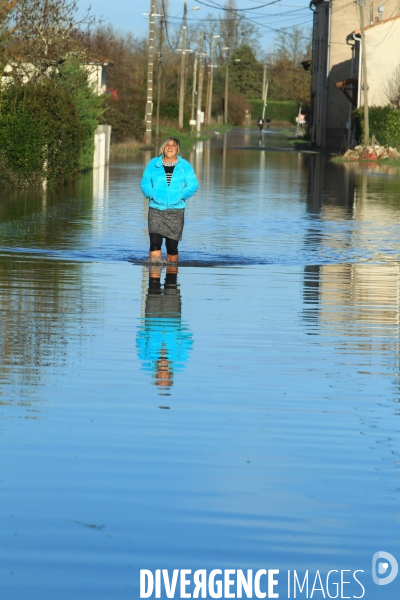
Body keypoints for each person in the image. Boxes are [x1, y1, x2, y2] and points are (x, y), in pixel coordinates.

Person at [140, 137, 199, 264]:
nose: (170, 147)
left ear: (178, 149)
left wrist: (180, 195)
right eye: (167, 145)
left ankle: (171, 280)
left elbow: (193, 185)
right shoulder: (153, 164)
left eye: (173, 145)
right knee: (155, 243)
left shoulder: (185, 166)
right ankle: (154, 280)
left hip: (176, 211)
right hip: (156, 210)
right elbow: (145, 183)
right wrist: (152, 194)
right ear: (163, 148)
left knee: (172, 247)